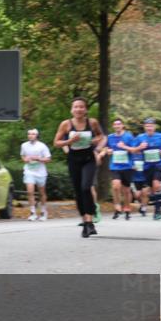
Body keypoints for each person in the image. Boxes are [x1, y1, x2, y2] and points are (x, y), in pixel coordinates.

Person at [53, 97, 104, 237]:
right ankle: (86, 222)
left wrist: (97, 147)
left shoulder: (92, 122)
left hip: (89, 158)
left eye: (81, 107)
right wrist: (69, 141)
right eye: (76, 107)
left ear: (85, 109)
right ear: (72, 110)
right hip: (73, 159)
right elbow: (56, 142)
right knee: (78, 191)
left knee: (86, 187)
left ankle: (89, 221)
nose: (78, 109)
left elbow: (102, 136)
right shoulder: (66, 124)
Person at [135, 117, 161, 220]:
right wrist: (139, 147)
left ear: (154, 127)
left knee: (156, 184)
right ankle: (146, 206)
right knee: (149, 190)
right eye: (147, 126)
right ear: (144, 127)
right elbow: (133, 150)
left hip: (159, 164)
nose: (149, 128)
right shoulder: (140, 137)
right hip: (147, 167)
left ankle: (158, 211)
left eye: (151, 126)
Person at [100, 118, 139, 220]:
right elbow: (105, 147)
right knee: (116, 186)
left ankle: (127, 208)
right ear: (113, 126)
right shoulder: (110, 137)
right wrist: (107, 151)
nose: (117, 126)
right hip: (115, 166)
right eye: (115, 124)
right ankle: (117, 206)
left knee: (126, 190)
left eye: (119, 124)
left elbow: (135, 150)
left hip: (127, 167)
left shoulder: (128, 136)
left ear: (122, 126)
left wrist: (124, 146)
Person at [20, 128, 51, 221]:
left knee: (42, 193)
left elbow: (48, 159)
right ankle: (32, 212)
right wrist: (25, 159)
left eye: (33, 134)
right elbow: (22, 156)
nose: (30, 136)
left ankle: (43, 211)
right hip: (29, 171)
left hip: (40, 172)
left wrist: (38, 159)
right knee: (30, 192)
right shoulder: (24, 145)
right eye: (29, 134)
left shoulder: (42, 146)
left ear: (37, 135)